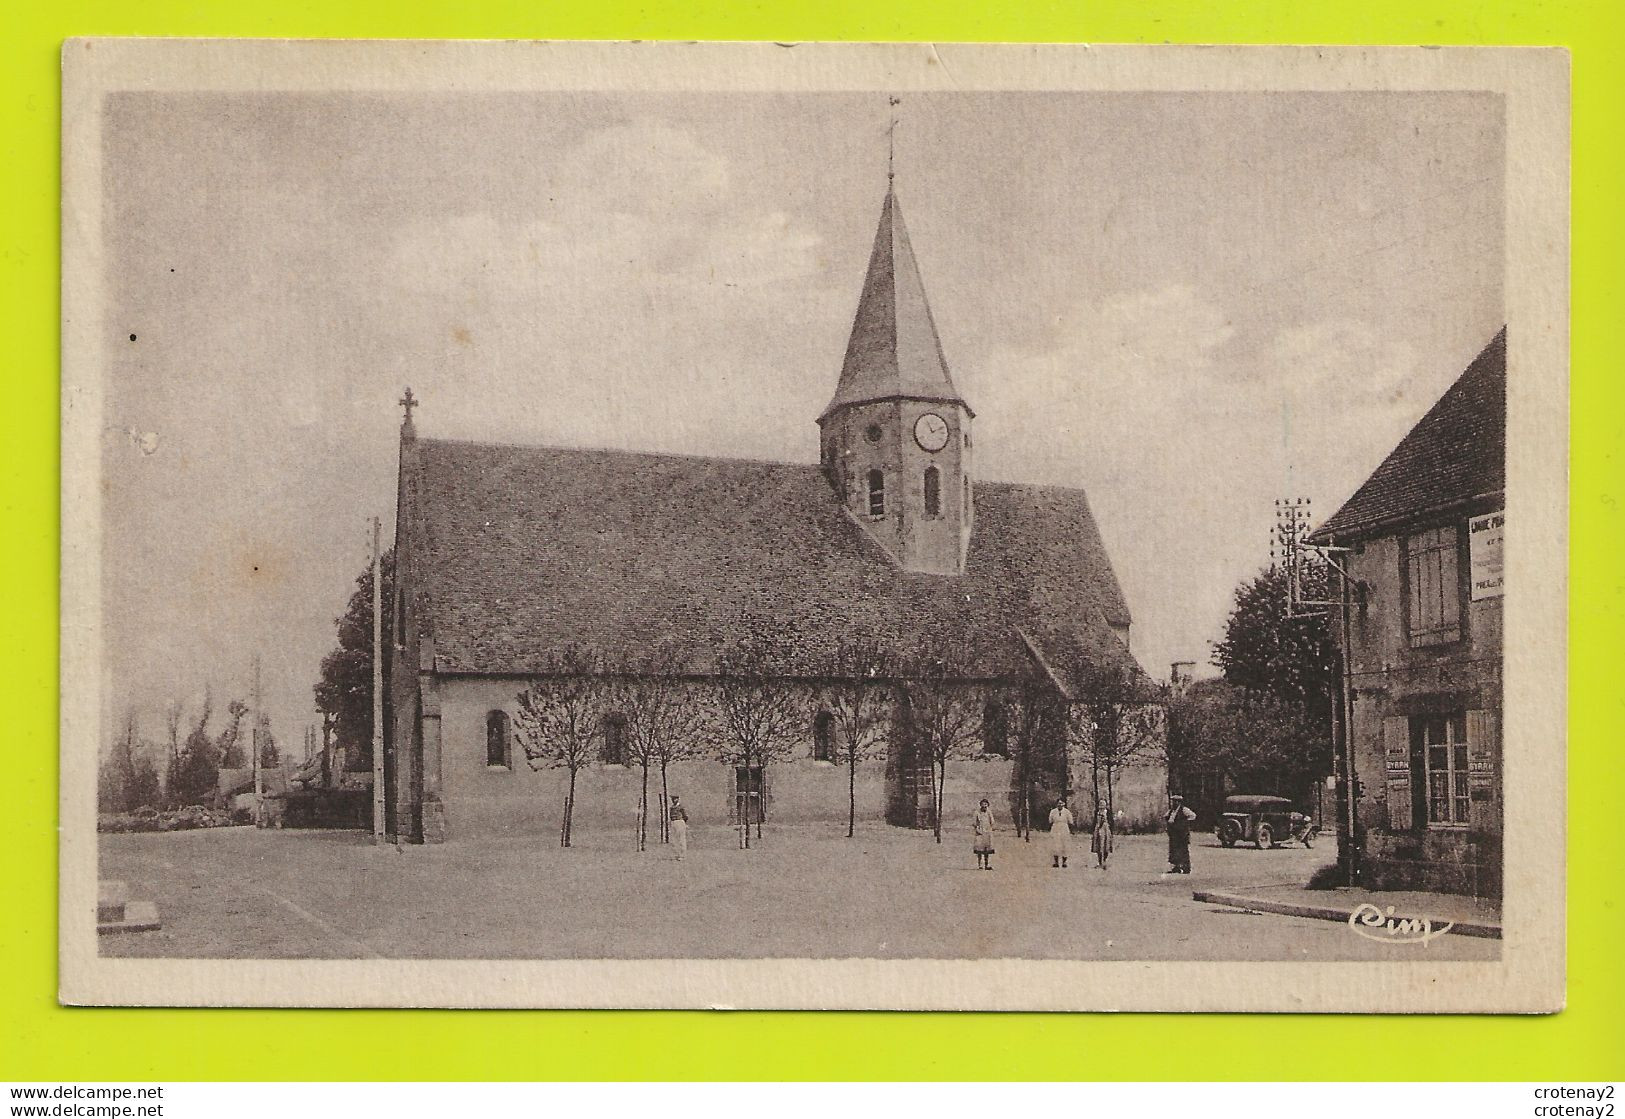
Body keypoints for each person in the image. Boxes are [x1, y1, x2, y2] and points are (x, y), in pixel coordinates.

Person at [1165, 792, 1196, 874]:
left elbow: (1193, 816)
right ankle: (1176, 867)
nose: (1174, 803)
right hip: (1174, 833)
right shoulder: (1171, 810)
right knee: (1174, 850)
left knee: (1183, 850)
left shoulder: (1184, 809)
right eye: (1173, 801)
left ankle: (1186, 868)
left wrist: (1184, 823)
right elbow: (1166, 816)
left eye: (1176, 801)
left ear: (1179, 802)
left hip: (1181, 833)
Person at [1047, 797, 1075, 868]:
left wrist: (1072, 830)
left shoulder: (1067, 812)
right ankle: (1056, 862)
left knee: (1064, 845)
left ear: (1064, 804)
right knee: (1055, 844)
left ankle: (1064, 862)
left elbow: (1071, 821)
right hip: (1056, 828)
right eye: (1058, 803)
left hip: (1064, 828)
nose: (1060, 805)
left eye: (1061, 803)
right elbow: (1050, 821)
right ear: (1056, 804)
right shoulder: (1053, 811)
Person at [972, 799, 997, 870]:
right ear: (980, 805)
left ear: (988, 805)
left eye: (986, 804)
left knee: (987, 850)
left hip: (987, 833)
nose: (984, 806)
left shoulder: (989, 812)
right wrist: (977, 829)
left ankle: (987, 865)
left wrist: (991, 828)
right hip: (980, 833)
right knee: (979, 850)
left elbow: (992, 822)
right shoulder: (977, 812)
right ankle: (980, 865)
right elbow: (974, 823)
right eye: (983, 804)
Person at [669, 794, 690, 860]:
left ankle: (682, 855)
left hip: (680, 822)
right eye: (672, 799)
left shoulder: (681, 807)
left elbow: (685, 816)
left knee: (681, 839)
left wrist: (683, 823)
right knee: (674, 840)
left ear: (678, 799)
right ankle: (676, 855)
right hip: (673, 822)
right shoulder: (672, 807)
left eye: (675, 799)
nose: (673, 800)